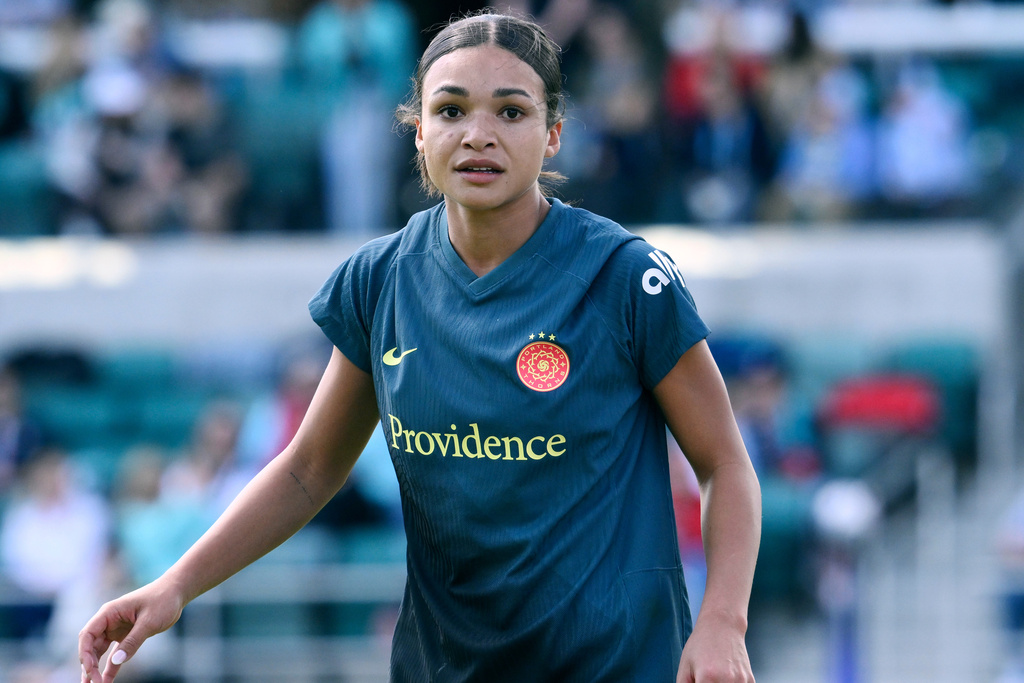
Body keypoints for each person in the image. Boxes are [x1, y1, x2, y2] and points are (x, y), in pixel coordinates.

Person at [78, 12, 761, 683]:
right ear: (418, 132)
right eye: (452, 110)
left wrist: (722, 623)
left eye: (511, 112)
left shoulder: (625, 278)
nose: (478, 135)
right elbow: (308, 469)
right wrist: (174, 586)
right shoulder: (380, 279)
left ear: (553, 135)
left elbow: (725, 463)